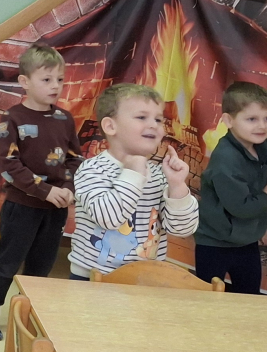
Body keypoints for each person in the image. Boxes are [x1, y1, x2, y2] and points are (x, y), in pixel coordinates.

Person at [0, 42, 83, 340]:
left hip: (55, 210)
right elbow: (7, 164)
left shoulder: (64, 119)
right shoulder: (13, 118)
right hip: (21, 207)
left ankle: (29, 315)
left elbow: (75, 159)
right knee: (7, 262)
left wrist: (68, 188)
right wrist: (44, 190)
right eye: (46, 79)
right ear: (25, 82)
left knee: (42, 265)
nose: (55, 86)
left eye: (59, 79)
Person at [69, 83, 198, 278]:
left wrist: (177, 186)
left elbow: (181, 229)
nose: (154, 125)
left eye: (158, 119)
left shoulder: (160, 175)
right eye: (141, 117)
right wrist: (133, 173)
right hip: (92, 278)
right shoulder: (92, 170)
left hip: (145, 279)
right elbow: (109, 219)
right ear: (110, 126)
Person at [195, 82, 267, 293]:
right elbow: (241, 207)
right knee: (206, 298)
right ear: (229, 120)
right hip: (214, 243)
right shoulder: (225, 159)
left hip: (246, 240)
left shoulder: (263, 144)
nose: (262, 126)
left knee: (250, 295)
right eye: (252, 119)